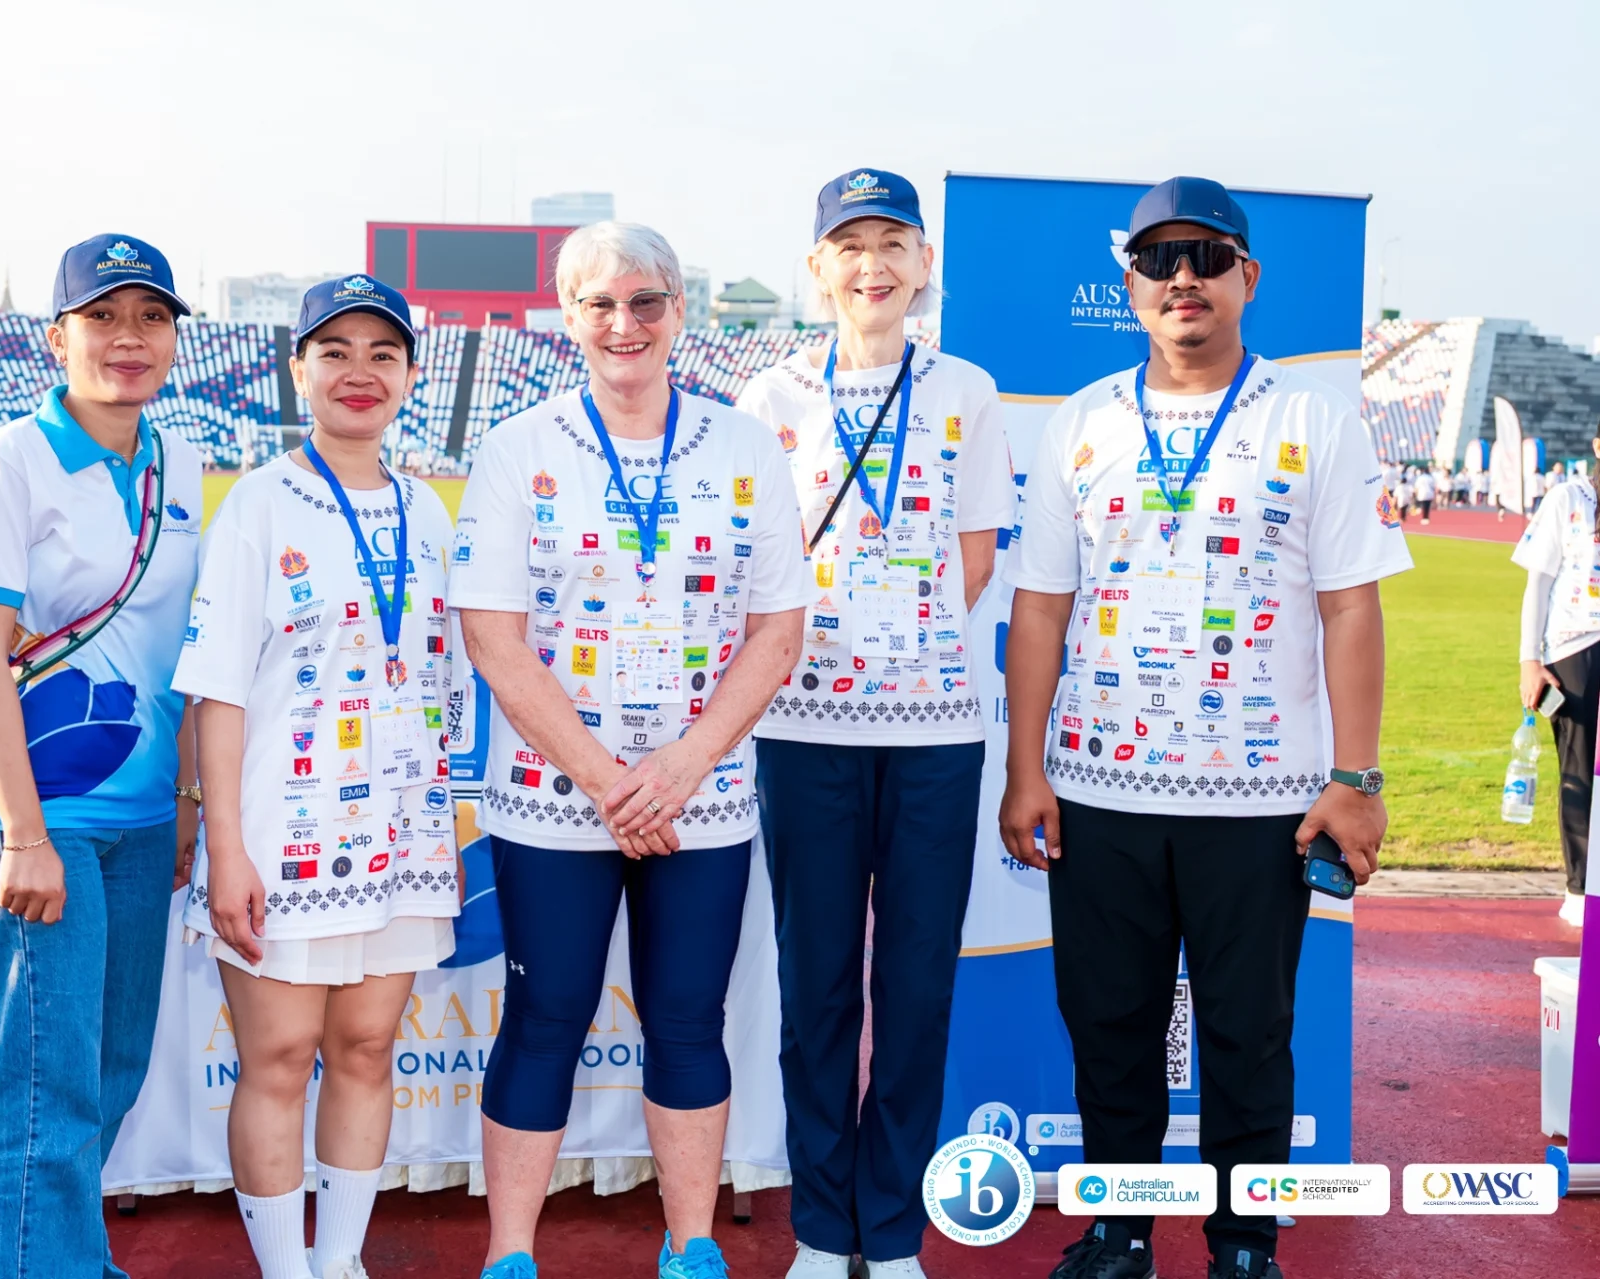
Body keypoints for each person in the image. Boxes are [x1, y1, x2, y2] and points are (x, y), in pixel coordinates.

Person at [998, 177, 1410, 1279]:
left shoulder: (1312, 416)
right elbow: (1040, 605)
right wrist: (1025, 768)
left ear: (1248, 278)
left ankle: (1243, 1245)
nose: (1184, 277)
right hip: (1097, 790)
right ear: (1129, 282)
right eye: (1160, 258)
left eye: (1207, 257)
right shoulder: (1079, 420)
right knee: (1112, 1027)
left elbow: (1351, 603)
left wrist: (1355, 775)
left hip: (1264, 798)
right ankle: (1122, 1230)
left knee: (1248, 1037)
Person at [450, 221, 810, 1279]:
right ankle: (511, 1255)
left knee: (689, 1020)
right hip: (555, 799)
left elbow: (778, 631)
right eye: (601, 303)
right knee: (545, 1015)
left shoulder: (745, 445)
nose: (624, 323)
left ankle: (690, 1244)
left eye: (646, 302)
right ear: (568, 317)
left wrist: (684, 765)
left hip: (700, 796)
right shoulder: (521, 444)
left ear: (679, 313)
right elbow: (491, 636)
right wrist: (611, 782)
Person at [732, 168, 1014, 1279]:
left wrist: (909, 645)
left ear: (923, 263)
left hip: (936, 728)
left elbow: (979, 552)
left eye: (893, 242)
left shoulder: (969, 389)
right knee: (815, 989)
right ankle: (818, 1227)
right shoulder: (771, 398)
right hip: (801, 727)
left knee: (915, 983)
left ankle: (889, 1233)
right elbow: (756, 568)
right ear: (818, 268)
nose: (873, 265)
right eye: (850, 245)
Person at [175, 275, 462, 1279]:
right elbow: (217, 690)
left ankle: (339, 1260)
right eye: (334, 351)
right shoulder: (257, 504)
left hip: (399, 829)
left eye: (383, 354)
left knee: (368, 1049)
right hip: (280, 831)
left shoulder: (428, 511)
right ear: (297, 369)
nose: (359, 372)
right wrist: (226, 846)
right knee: (281, 1056)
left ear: (412, 377)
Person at [0, 234, 202, 1279]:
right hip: (33, 822)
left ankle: (73, 1259)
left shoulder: (180, 462)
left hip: (138, 825)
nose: (128, 339)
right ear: (57, 336)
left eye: (150, 318)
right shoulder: (5, 462)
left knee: (107, 1072)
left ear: (177, 337)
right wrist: (27, 834)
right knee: (41, 1093)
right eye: (103, 318)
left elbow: (184, 645)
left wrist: (182, 803)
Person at [1513, 427, 1600, 927]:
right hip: (1573, 652)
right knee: (1580, 771)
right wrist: (1530, 659)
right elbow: (1538, 583)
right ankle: (1581, 889)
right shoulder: (1570, 498)